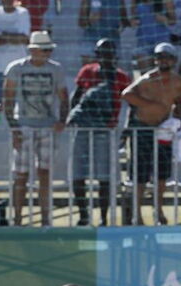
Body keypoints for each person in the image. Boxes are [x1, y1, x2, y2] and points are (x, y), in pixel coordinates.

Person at [2, 30, 68, 227]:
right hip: (24, 125)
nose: (47, 53)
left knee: (45, 174)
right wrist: (14, 129)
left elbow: (64, 97)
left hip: (47, 126)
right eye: (44, 50)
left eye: (49, 50)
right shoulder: (16, 69)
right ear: (33, 50)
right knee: (20, 175)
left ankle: (46, 219)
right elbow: (7, 99)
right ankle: (18, 218)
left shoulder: (56, 69)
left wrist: (62, 120)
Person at [69, 38, 131, 227]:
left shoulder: (121, 77)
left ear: (115, 55)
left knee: (105, 177)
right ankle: (83, 215)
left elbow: (131, 102)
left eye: (109, 54)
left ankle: (104, 217)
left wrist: (125, 129)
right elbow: (76, 96)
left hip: (106, 130)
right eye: (101, 54)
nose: (105, 58)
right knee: (78, 175)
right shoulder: (87, 72)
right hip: (84, 129)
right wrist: (76, 116)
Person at [122, 42, 181, 225]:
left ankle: (158, 210)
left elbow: (180, 101)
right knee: (140, 174)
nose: (163, 61)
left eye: (166, 57)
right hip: (143, 128)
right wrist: (149, 104)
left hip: (164, 129)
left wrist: (177, 117)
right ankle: (137, 213)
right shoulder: (147, 79)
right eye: (159, 57)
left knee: (161, 173)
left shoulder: (177, 81)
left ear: (173, 60)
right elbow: (127, 94)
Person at [78, 0, 129, 66]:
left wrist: (122, 27)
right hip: (91, 43)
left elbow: (124, 21)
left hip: (112, 45)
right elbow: (81, 22)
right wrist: (90, 20)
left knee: (110, 73)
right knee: (90, 73)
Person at [130, 0, 176, 71]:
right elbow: (133, 19)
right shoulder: (136, 2)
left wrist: (164, 19)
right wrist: (133, 22)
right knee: (145, 75)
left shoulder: (166, 1)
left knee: (163, 73)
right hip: (143, 41)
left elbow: (173, 21)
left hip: (162, 41)